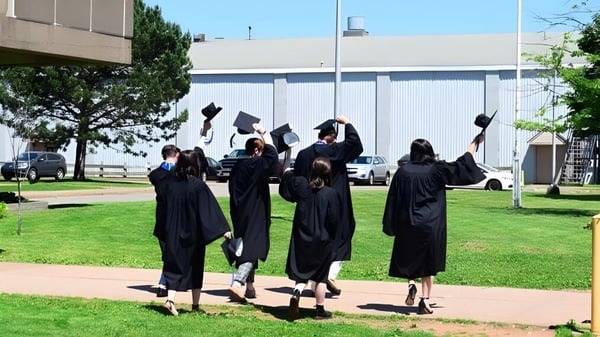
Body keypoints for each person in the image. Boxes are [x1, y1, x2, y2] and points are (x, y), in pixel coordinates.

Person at [382, 135, 485, 314]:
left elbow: (393, 199)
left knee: (409, 257)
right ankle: (425, 300)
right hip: (431, 224)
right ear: (429, 151)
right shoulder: (437, 169)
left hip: (408, 222)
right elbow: (463, 163)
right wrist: (475, 143)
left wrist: (391, 223)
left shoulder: (403, 172)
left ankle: (411, 284)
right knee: (428, 263)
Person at [293, 115, 363, 296]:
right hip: (335, 201)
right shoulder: (336, 151)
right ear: (332, 137)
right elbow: (355, 144)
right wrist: (347, 123)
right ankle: (330, 274)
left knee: (313, 238)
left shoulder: (303, 154)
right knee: (342, 234)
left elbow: (297, 182)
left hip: (310, 203)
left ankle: (308, 281)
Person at [158, 149, 232, 316]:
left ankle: (170, 300)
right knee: (196, 266)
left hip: (173, 230)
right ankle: (195, 305)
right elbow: (209, 210)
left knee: (174, 266)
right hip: (193, 232)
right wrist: (223, 229)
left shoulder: (170, 184)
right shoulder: (198, 186)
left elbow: (162, 207)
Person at [280, 157, 341, 321]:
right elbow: (334, 219)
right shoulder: (331, 194)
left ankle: (297, 292)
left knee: (301, 273)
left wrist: (287, 157)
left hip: (302, 237)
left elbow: (287, 179)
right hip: (322, 239)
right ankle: (320, 309)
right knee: (320, 277)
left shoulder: (302, 188)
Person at [227, 123, 279, 302]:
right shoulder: (256, 164)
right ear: (257, 150)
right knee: (253, 247)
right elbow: (272, 156)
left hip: (239, 211)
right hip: (256, 211)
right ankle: (238, 282)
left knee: (245, 246)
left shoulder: (237, 166)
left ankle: (250, 287)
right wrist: (264, 133)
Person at [148, 144, 180, 298]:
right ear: (177, 155)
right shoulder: (177, 174)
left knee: (169, 252)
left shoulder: (155, 174)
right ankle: (163, 282)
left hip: (161, 217)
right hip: (176, 217)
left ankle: (165, 282)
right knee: (171, 253)